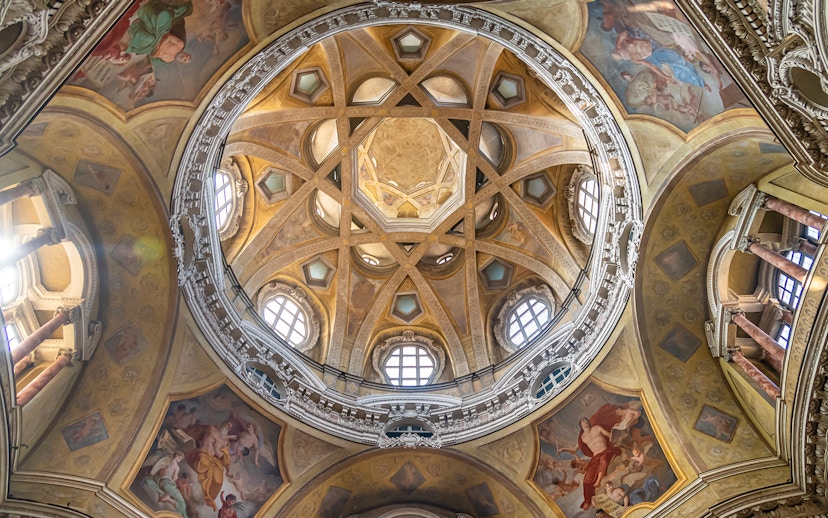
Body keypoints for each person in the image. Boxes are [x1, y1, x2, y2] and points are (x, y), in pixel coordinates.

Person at [560, 417, 622, 510]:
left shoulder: (596, 428)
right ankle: (587, 500)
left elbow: (609, 435)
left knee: (603, 460)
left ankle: (598, 481)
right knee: (587, 480)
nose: (586, 422)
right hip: (595, 457)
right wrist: (563, 449)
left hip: (605, 451)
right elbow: (574, 449)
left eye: (586, 420)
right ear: (580, 425)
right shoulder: (583, 438)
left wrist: (616, 428)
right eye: (583, 421)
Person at [143, 451, 187, 516]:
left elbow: (160, 472)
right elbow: (174, 478)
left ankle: (166, 497)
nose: (180, 460)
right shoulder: (176, 467)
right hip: (169, 485)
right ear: (177, 456)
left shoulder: (167, 460)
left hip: (161, 482)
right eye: (180, 458)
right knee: (182, 503)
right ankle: (168, 499)